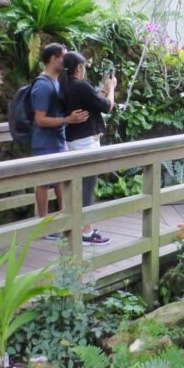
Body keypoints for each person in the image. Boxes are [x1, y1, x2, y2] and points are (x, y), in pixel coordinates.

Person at [31, 43, 88, 237]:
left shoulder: (58, 82)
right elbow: (40, 119)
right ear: (54, 59)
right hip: (45, 142)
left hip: (58, 140)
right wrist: (67, 120)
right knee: (44, 181)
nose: (67, 60)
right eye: (64, 57)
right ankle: (44, 225)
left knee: (61, 180)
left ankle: (64, 220)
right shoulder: (42, 85)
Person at [61, 51, 117, 246]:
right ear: (79, 68)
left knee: (78, 185)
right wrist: (111, 89)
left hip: (73, 140)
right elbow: (106, 106)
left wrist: (100, 93)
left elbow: (91, 100)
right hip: (85, 142)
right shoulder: (80, 86)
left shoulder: (64, 85)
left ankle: (79, 227)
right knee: (87, 186)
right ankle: (87, 232)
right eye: (83, 67)